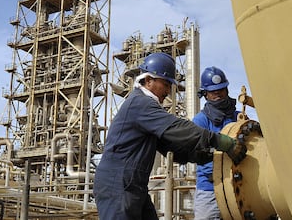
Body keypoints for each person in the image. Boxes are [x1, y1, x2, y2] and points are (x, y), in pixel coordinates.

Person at [93, 53, 246, 220]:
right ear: (148, 80)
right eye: (165, 84)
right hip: (118, 185)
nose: (168, 91)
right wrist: (219, 141)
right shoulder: (140, 103)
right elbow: (176, 128)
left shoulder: (146, 107)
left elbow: (170, 147)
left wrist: (203, 156)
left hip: (134, 185)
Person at [193, 66, 240, 220]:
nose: (218, 94)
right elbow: (200, 156)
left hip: (241, 186)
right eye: (213, 91)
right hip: (210, 189)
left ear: (226, 90)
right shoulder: (200, 121)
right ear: (205, 94)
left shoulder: (239, 117)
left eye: (221, 89)